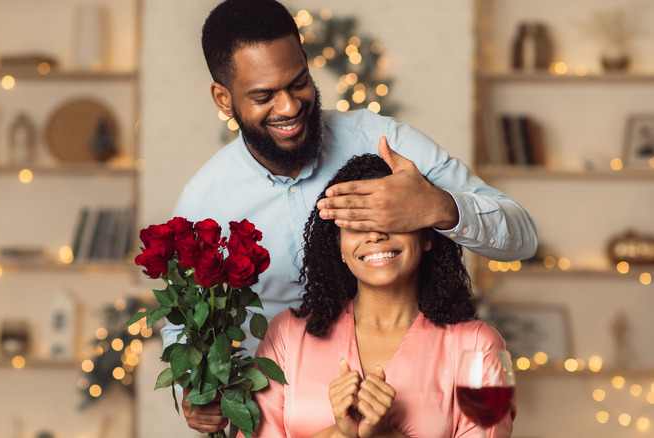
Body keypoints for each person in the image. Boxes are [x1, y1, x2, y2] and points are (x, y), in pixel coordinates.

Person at [168, 0, 535, 433]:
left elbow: (521, 237)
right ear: (223, 98)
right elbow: (185, 330)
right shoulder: (203, 206)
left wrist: (436, 205)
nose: (288, 107)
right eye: (264, 96)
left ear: (306, 61)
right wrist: (192, 395)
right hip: (275, 412)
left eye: (298, 82)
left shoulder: (384, 142)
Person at [250, 154, 515, 437]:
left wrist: (386, 435)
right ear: (338, 246)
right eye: (356, 222)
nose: (374, 234)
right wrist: (340, 434)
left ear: (427, 237)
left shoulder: (480, 345)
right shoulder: (286, 335)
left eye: (391, 217)